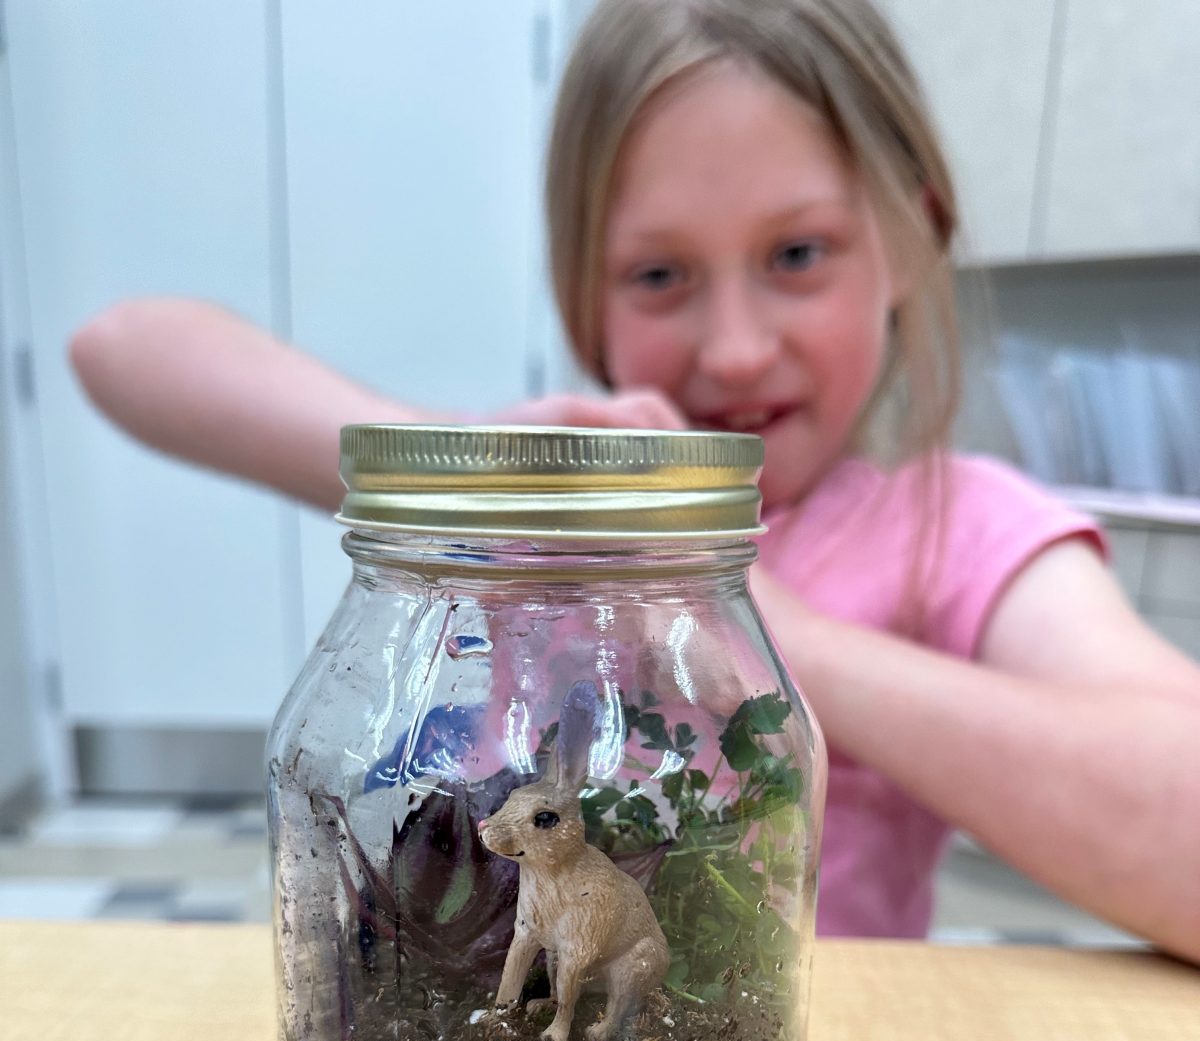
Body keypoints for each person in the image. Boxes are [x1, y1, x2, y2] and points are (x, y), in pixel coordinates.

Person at [69, 0, 1200, 961]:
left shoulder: (958, 532)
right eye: (660, 274)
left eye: (797, 254)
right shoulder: (542, 525)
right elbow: (122, 347)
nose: (737, 348)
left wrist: (756, 624)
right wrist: (465, 473)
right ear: (580, 285)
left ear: (913, 235)